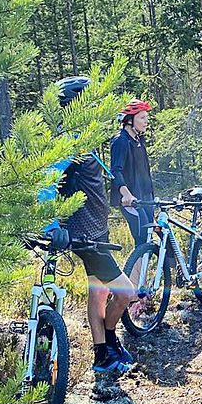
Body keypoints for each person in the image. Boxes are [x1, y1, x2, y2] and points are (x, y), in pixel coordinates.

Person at [42, 76, 135, 374]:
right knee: (126, 293)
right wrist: (53, 227)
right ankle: (109, 340)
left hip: (97, 230)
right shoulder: (69, 141)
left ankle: (102, 355)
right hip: (84, 236)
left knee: (99, 292)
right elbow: (46, 184)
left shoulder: (85, 139)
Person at [110, 98, 154, 248]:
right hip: (131, 199)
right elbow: (115, 171)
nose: (146, 121)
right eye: (142, 118)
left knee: (149, 239)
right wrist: (126, 194)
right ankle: (134, 272)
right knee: (141, 241)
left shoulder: (139, 139)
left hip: (146, 196)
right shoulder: (120, 141)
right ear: (129, 120)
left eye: (146, 118)